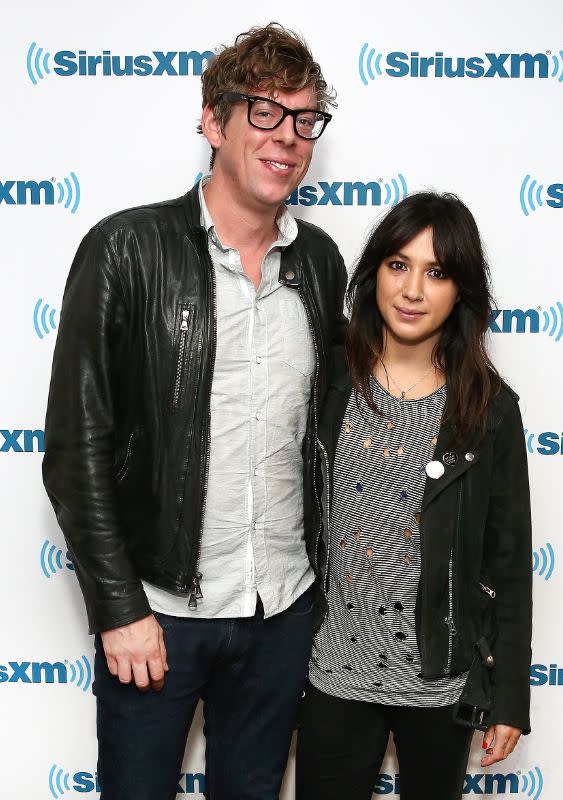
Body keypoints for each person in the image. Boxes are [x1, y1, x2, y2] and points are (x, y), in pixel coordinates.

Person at [42, 23, 346, 800]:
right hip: (160, 615)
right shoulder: (124, 249)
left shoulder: (318, 262)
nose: (289, 139)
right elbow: (76, 449)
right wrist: (118, 608)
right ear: (214, 121)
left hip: (282, 611)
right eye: (266, 114)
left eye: (305, 119)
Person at [295, 192, 532, 800]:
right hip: (333, 676)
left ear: (461, 292)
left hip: (441, 685)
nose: (413, 290)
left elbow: (508, 563)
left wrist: (508, 697)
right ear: (374, 271)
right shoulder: (328, 380)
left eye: (437, 272)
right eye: (399, 265)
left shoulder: (489, 410)